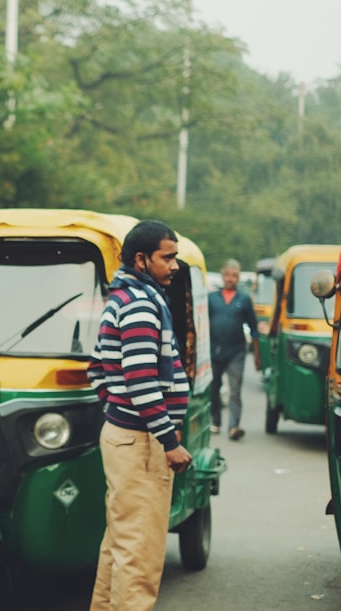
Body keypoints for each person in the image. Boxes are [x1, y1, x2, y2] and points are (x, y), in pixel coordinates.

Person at [88, 219, 192, 611]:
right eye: (168, 258)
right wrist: (168, 440)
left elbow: (98, 368)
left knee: (120, 543)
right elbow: (141, 380)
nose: (175, 266)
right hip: (142, 443)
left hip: (125, 434)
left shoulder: (122, 298)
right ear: (141, 259)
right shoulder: (142, 305)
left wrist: (115, 410)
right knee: (141, 553)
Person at [207, 259, 260, 441]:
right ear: (223, 276)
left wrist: (257, 355)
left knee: (235, 390)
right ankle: (216, 421)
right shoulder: (212, 298)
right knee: (214, 387)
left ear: (238, 278)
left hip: (236, 352)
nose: (230, 279)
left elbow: (254, 329)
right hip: (214, 351)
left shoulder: (244, 300)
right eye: (228, 275)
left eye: (234, 276)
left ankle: (234, 426)